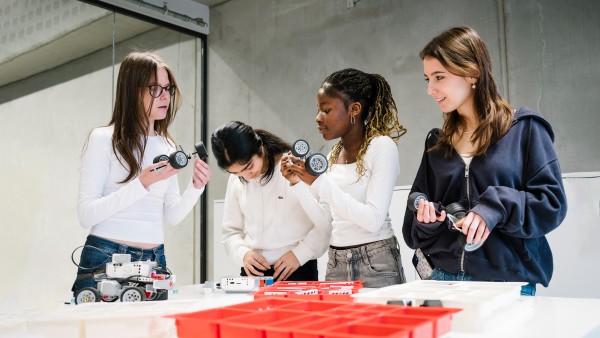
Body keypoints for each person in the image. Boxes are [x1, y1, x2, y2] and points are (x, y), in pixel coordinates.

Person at [402, 26, 567, 295]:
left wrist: (495, 207)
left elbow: (551, 205)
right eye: (427, 79)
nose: (430, 89)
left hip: (507, 286)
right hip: (442, 282)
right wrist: (427, 220)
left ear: (472, 73)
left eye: (439, 77)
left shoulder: (524, 130)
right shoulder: (436, 144)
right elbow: (413, 227)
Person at [72, 51, 211, 299]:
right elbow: (86, 214)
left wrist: (196, 187)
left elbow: (173, 214)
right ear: (133, 91)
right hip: (105, 257)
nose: (165, 96)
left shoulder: (167, 145)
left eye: (168, 88)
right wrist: (142, 184)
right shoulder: (104, 139)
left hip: (154, 259)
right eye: (155, 88)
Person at [281, 68, 408, 288]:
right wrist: (297, 183)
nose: (318, 118)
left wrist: (319, 182)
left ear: (354, 109)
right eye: (318, 110)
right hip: (336, 262)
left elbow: (373, 220)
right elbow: (325, 222)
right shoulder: (332, 155)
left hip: (376, 262)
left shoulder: (382, 147)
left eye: (326, 110)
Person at [211, 121, 331, 281]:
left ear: (260, 149)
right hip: (253, 274)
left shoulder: (295, 166)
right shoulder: (237, 180)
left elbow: (324, 224)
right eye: (236, 173)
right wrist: (243, 254)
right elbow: (231, 232)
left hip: (297, 269)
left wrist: (301, 254)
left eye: (249, 166)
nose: (246, 176)